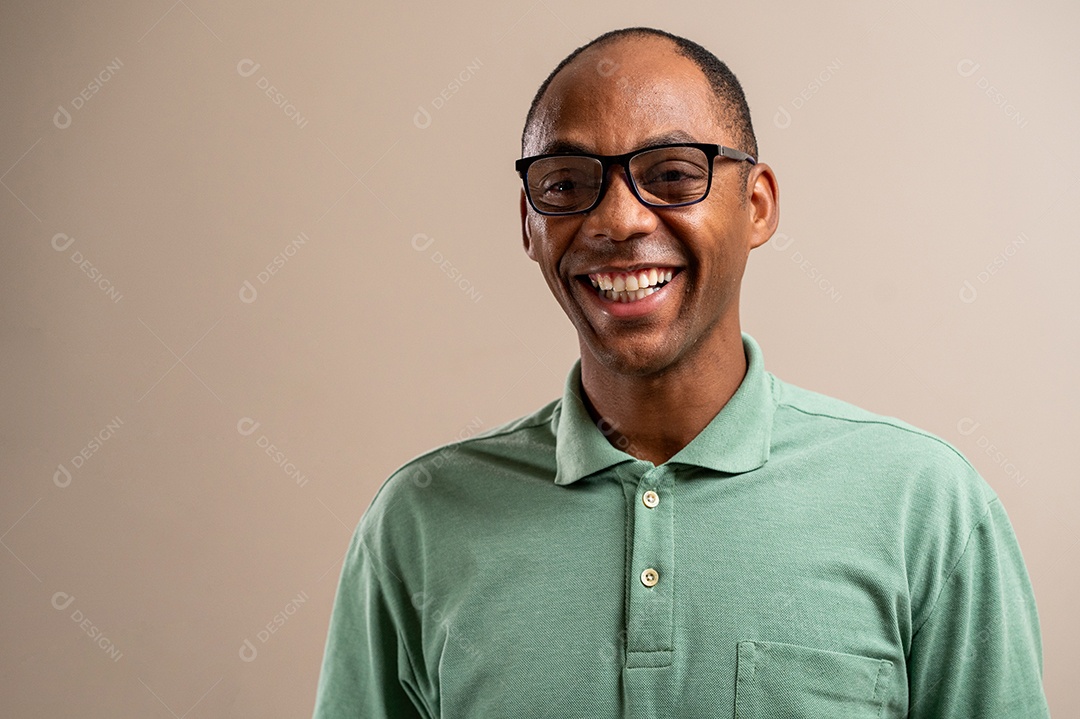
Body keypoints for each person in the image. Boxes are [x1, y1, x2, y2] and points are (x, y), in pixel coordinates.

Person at [312, 27, 1050, 718]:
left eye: (670, 174)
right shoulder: (418, 523)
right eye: (568, 184)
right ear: (529, 223)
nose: (619, 221)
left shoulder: (927, 508)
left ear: (756, 205)